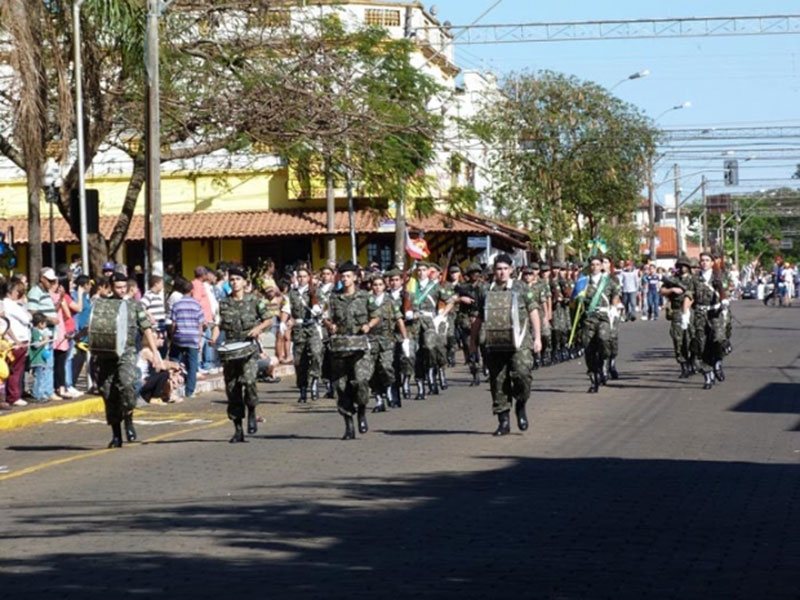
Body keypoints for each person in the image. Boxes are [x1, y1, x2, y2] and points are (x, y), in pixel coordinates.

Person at [470, 253, 542, 436]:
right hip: (495, 343)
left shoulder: (521, 287)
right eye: (498, 269)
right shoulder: (485, 290)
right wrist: (473, 342)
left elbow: (533, 311)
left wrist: (537, 337)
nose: (501, 273)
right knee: (498, 381)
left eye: (505, 269)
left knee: (522, 373)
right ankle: (503, 421)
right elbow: (478, 317)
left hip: (520, 341)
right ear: (494, 271)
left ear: (511, 270)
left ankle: (521, 403)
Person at [95, 273, 162, 447]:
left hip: (128, 352)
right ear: (110, 286)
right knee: (109, 393)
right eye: (118, 287)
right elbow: (94, 326)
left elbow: (146, 328)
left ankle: (128, 416)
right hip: (106, 354)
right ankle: (116, 435)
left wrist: (155, 352)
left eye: (124, 287)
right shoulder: (103, 305)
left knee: (127, 384)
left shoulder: (135, 305)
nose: (121, 291)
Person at [210, 266, 274, 443]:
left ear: (245, 282)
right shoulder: (223, 303)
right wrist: (213, 338)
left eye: (238, 279)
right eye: (231, 279)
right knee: (232, 389)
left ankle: (252, 409)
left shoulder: (254, 301)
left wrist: (257, 328)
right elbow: (217, 324)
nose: (234, 282)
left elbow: (268, 319)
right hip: (230, 350)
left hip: (249, 349)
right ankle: (238, 429)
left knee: (250, 381)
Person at [323, 261, 379, 440]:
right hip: (339, 348)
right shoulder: (333, 298)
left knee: (361, 382)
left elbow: (376, 315)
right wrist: (330, 325)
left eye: (348, 276)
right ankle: (348, 424)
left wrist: (368, 325)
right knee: (341, 387)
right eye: (342, 276)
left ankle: (362, 411)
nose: (345, 279)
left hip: (360, 348)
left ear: (355, 278)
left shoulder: (364, 297)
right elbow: (325, 316)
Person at [685, 252, 729, 390]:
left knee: (719, 341)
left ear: (711, 263)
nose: (704, 262)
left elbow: (726, 290)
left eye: (707, 260)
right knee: (701, 346)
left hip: (716, 313)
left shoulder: (719, 276)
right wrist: (685, 312)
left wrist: (725, 300)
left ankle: (717, 363)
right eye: (702, 260)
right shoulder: (694, 279)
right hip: (700, 314)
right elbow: (689, 295)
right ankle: (708, 376)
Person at [579, 255, 623, 393]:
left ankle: (604, 362)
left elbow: (616, 293)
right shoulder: (584, 282)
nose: (595, 267)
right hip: (588, 318)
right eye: (592, 265)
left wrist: (614, 307)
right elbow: (576, 299)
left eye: (598, 264)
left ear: (601, 266)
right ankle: (594, 378)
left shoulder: (608, 281)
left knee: (604, 340)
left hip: (604, 317)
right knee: (589, 349)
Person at [281, 266, 324, 403]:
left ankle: (315, 380)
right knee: (300, 361)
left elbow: (325, 306)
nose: (302, 279)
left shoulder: (316, 291)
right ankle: (303, 389)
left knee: (317, 353)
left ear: (309, 278)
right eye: (299, 276)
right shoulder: (291, 294)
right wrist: (283, 323)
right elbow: (286, 309)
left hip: (312, 327)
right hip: (299, 328)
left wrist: (319, 308)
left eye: (304, 276)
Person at [368, 273, 408, 412]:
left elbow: (399, 320)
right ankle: (379, 399)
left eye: (380, 285)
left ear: (384, 286)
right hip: (371, 340)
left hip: (387, 340)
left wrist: (405, 339)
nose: (377, 287)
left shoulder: (390, 301)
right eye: (375, 285)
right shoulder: (367, 301)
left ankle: (390, 388)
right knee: (371, 371)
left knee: (386, 367)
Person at [169, 277, 205, 399]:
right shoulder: (196, 305)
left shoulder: (177, 304)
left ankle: (173, 387)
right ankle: (190, 391)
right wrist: (199, 339)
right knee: (192, 364)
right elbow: (200, 324)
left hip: (179, 336)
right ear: (191, 291)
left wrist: (172, 336)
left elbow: (173, 323)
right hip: (193, 338)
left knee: (174, 361)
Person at [661, 255, 695, 379]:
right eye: (680, 266)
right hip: (676, 311)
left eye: (685, 266)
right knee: (678, 340)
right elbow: (662, 290)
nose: (682, 268)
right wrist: (672, 290)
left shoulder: (694, 280)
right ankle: (684, 366)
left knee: (692, 339)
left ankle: (692, 362)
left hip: (691, 312)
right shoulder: (673, 279)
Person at [3, 277, 31, 407]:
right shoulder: (10, 305)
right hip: (16, 342)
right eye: (17, 291)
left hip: (16, 340)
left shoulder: (8, 305)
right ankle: (13, 396)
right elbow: (27, 318)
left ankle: (11, 395)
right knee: (15, 371)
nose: (18, 294)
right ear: (10, 292)